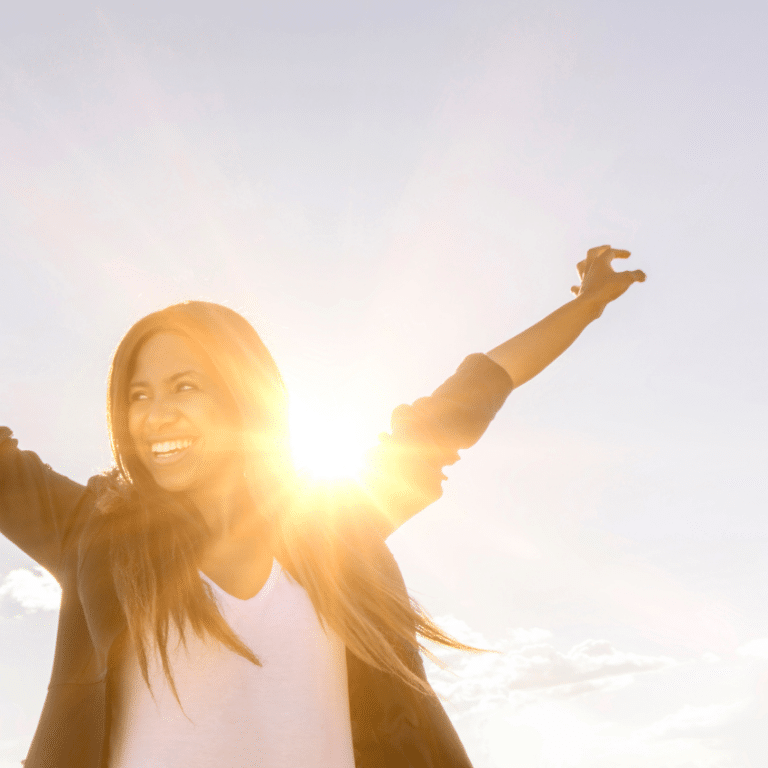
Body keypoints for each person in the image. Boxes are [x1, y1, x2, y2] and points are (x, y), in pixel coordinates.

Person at [1, 245, 644, 768]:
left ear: (244, 396)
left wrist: (586, 308)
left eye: (185, 386)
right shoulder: (96, 534)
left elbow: (469, 397)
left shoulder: (334, 526)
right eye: (136, 395)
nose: (155, 415)